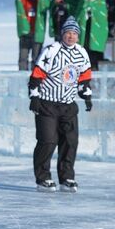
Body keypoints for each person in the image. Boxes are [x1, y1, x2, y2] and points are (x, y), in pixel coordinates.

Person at [28, 17, 92, 193]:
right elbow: (36, 74)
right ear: (63, 34)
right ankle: (43, 178)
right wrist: (34, 97)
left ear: (78, 36)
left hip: (68, 105)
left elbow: (84, 78)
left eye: (74, 33)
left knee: (70, 142)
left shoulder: (82, 53)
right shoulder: (52, 50)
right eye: (68, 33)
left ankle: (66, 177)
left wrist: (86, 96)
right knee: (48, 141)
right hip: (47, 104)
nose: (71, 36)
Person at [15, 0, 51, 71]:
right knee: (23, 59)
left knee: (37, 59)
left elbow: (45, 4)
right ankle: (22, 81)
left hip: (37, 31)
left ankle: (35, 81)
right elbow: (18, 2)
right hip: (25, 31)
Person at [76, 0, 109, 70]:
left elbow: (103, 18)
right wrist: (84, 12)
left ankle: (94, 69)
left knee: (94, 54)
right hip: (84, 32)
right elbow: (77, 15)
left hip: (96, 32)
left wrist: (94, 12)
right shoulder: (82, 0)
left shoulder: (101, 2)